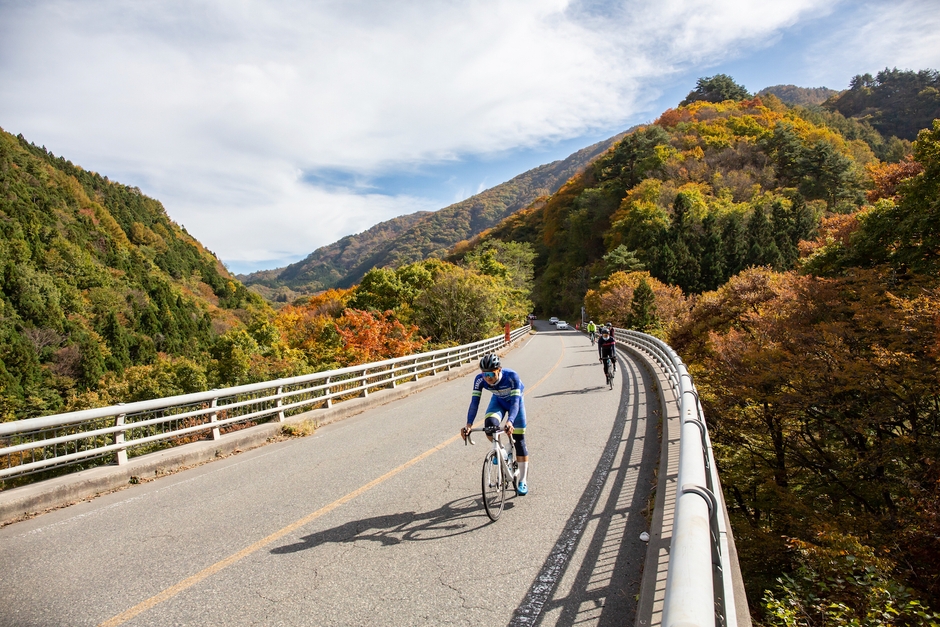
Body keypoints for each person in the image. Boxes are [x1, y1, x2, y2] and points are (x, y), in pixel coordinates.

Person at [461, 354, 530, 496]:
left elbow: (515, 403)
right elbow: (474, 403)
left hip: (515, 403)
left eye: (491, 374)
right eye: (484, 374)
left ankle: (523, 480)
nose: (488, 377)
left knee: (519, 440)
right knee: (489, 426)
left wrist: (510, 421)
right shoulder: (479, 380)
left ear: (499, 370)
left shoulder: (512, 377)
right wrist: (468, 425)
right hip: (498, 401)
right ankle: (501, 451)